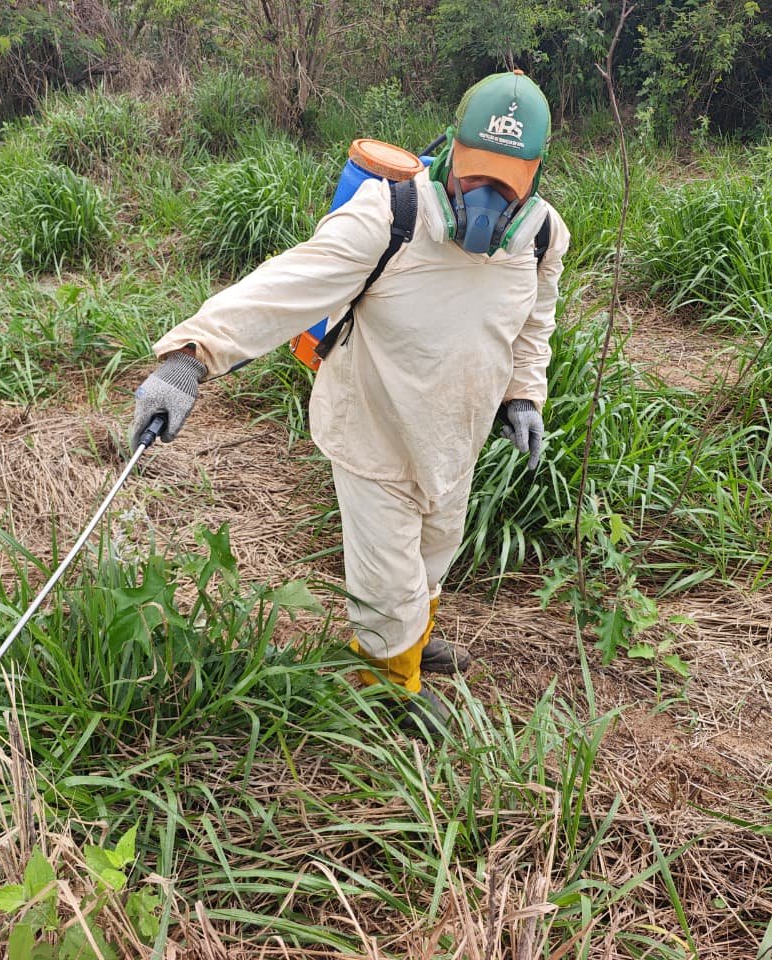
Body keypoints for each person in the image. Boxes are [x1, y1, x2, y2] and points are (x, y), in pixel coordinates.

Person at [129, 70, 569, 736]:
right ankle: (387, 685)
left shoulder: (541, 237)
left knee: (433, 554)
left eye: (505, 182)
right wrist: (189, 359)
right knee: (386, 576)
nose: (485, 198)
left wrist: (522, 398)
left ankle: (409, 641)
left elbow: (534, 324)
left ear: (534, 175)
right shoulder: (388, 216)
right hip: (374, 427)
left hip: (456, 435)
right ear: (451, 149)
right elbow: (283, 286)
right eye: (475, 174)